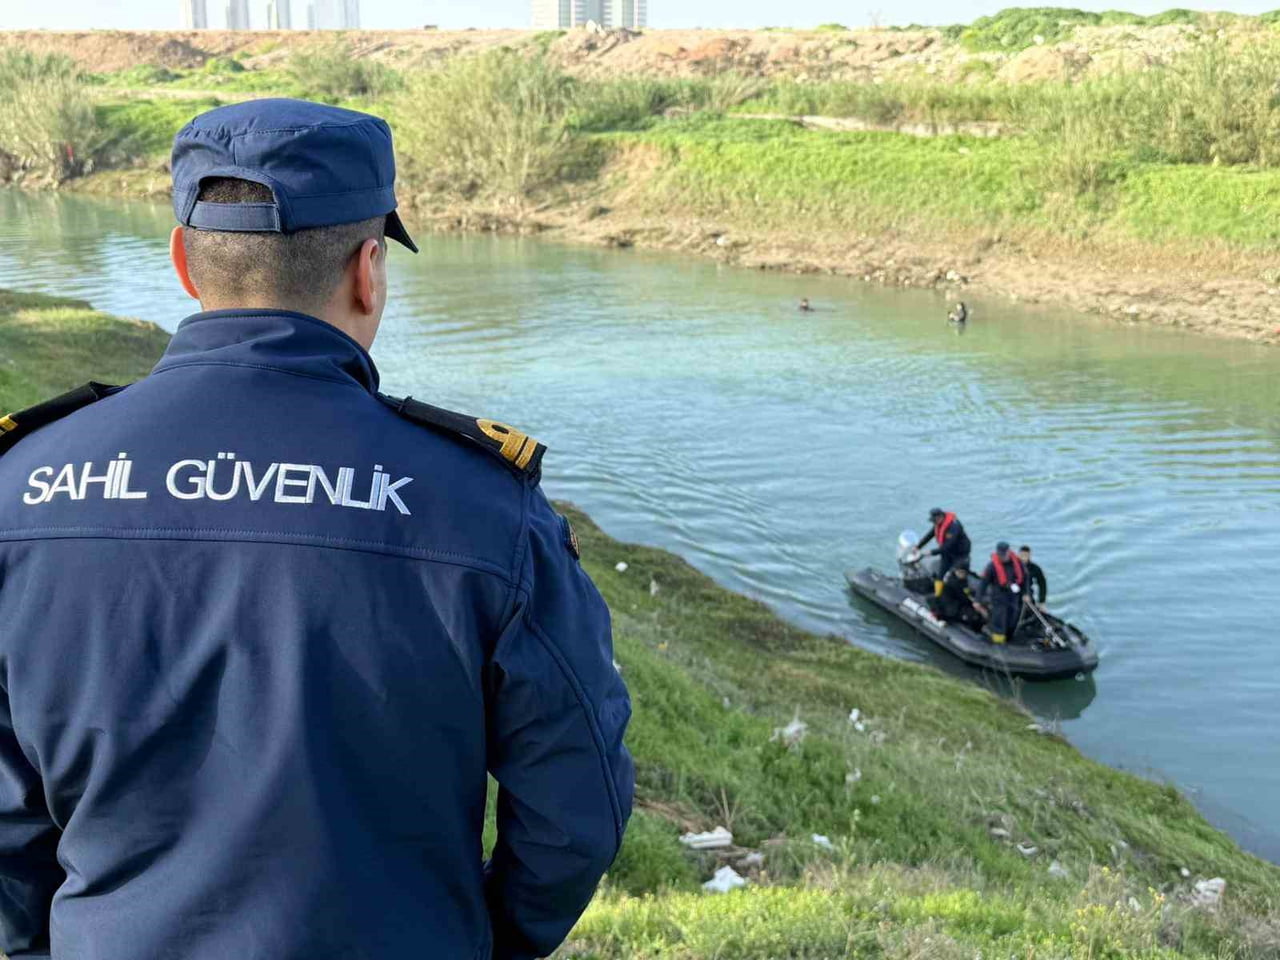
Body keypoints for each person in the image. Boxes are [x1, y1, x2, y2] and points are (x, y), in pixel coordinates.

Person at [0, 99, 633, 960]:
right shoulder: (482, 507)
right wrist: (492, 939)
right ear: (369, 269)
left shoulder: (20, 488)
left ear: (186, 263)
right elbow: (576, 806)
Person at [915, 507, 972, 595]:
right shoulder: (938, 524)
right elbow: (930, 535)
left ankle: (968, 596)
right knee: (940, 575)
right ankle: (938, 596)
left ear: (940, 517)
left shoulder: (954, 526)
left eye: (935, 520)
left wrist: (931, 552)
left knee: (960, 578)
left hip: (960, 555)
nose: (934, 523)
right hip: (947, 553)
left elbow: (948, 545)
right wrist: (918, 547)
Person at [980, 541, 1027, 644]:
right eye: (1000, 555)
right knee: (999, 621)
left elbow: (1024, 578)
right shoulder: (991, 567)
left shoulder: (1017, 563)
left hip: (1013, 597)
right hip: (999, 598)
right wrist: (978, 599)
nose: (1002, 557)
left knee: (1012, 619)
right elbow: (984, 583)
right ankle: (998, 643)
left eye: (1004, 554)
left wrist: (1026, 593)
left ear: (1008, 552)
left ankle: (1009, 639)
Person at [928, 559, 985, 630]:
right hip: (952, 609)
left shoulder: (963, 581)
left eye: (963, 573)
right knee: (973, 617)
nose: (961, 574)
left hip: (959, 605)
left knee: (978, 616)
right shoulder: (952, 583)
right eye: (959, 572)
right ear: (955, 571)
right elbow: (958, 599)